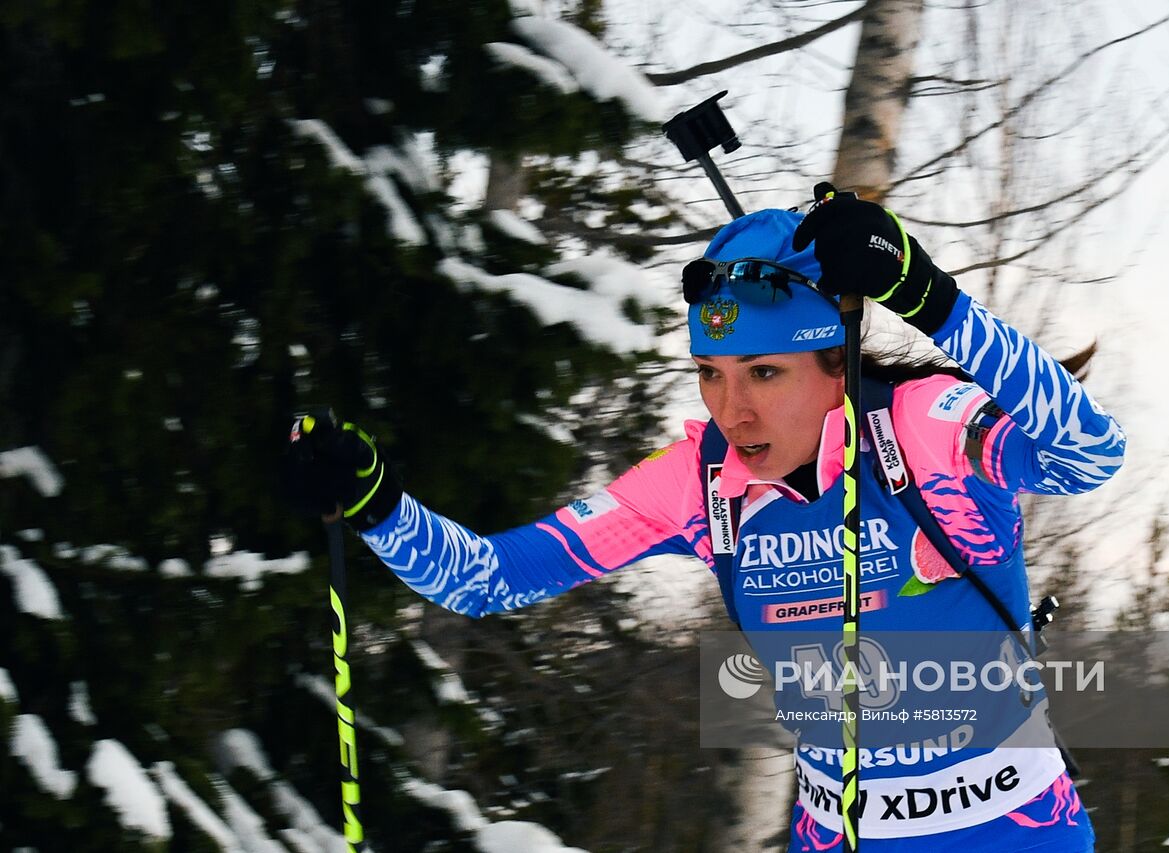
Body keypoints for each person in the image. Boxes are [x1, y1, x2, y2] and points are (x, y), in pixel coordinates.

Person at [285, 190, 1125, 851]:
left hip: (1005, 832)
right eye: (710, 375)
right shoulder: (700, 482)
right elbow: (485, 579)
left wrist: (928, 296)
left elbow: (1091, 453)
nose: (734, 410)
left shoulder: (927, 427)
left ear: (836, 360)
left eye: (764, 372)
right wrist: (376, 503)